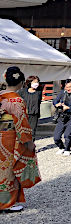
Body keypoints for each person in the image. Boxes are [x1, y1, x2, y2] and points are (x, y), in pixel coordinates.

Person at [0, 67, 41, 212]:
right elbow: (22, 123)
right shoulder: (17, 100)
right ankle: (6, 204)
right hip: (9, 137)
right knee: (8, 169)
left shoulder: (0, 96)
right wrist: (29, 142)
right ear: (22, 83)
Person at [52, 79, 71, 156]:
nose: (68, 89)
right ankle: (61, 147)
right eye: (66, 87)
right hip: (62, 117)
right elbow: (55, 101)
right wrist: (56, 104)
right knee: (56, 137)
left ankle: (67, 149)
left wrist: (69, 108)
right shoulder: (62, 93)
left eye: (70, 87)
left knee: (67, 135)